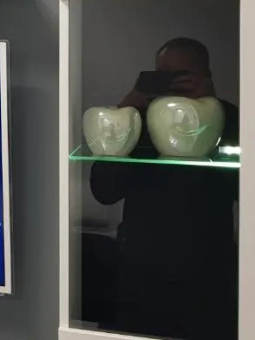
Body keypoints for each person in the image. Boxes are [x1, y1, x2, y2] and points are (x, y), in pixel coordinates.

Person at [90, 37, 239, 339]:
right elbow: (104, 191)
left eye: (181, 75)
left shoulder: (229, 118)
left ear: (205, 76)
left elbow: (245, 190)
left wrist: (210, 114)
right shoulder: (138, 120)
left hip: (207, 269)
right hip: (140, 269)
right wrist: (124, 113)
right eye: (161, 75)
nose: (171, 83)